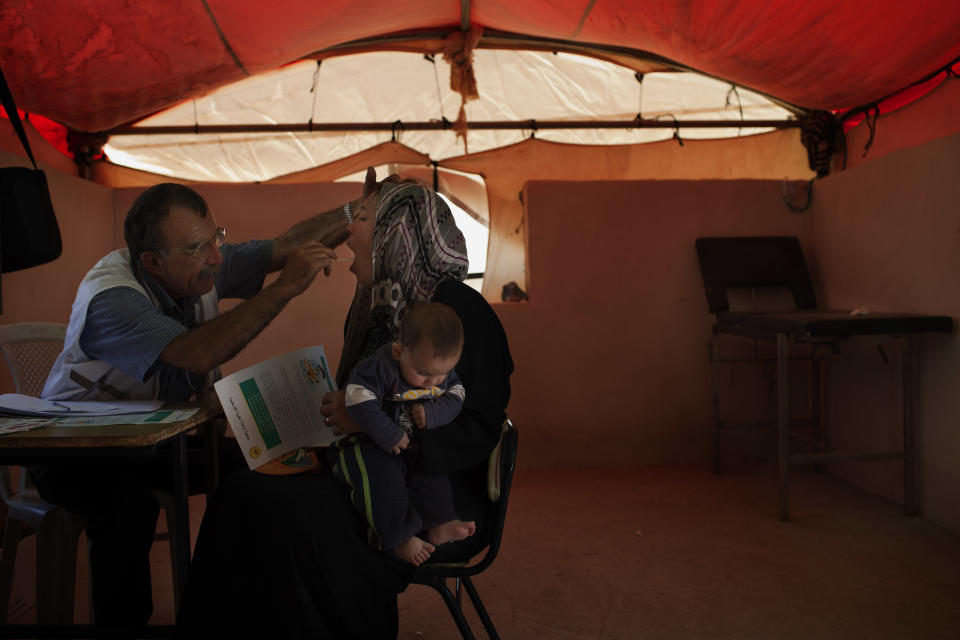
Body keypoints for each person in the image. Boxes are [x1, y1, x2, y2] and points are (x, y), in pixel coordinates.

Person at [178, 175, 513, 639]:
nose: (348, 229)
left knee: (298, 516)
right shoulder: (381, 310)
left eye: (362, 218)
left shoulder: (455, 309)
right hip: (369, 467)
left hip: (434, 493)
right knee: (242, 491)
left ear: (397, 232)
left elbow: (477, 427)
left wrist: (379, 424)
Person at [31, 182, 356, 629]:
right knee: (128, 508)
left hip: (149, 445)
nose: (218, 258)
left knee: (268, 465)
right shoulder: (114, 299)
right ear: (152, 261)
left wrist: (353, 210)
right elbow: (196, 353)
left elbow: (283, 247)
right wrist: (283, 290)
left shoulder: (199, 267)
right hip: (75, 452)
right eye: (200, 247)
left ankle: (223, 613)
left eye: (216, 236)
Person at [334, 301, 475, 566]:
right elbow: (357, 396)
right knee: (381, 481)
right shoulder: (381, 366)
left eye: (441, 373)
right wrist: (387, 433)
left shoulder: (442, 371)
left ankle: (440, 522)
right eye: (422, 373)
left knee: (433, 472)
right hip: (369, 444)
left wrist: (434, 413)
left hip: (410, 444)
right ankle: (399, 538)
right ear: (400, 352)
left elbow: (457, 395)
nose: (432, 382)